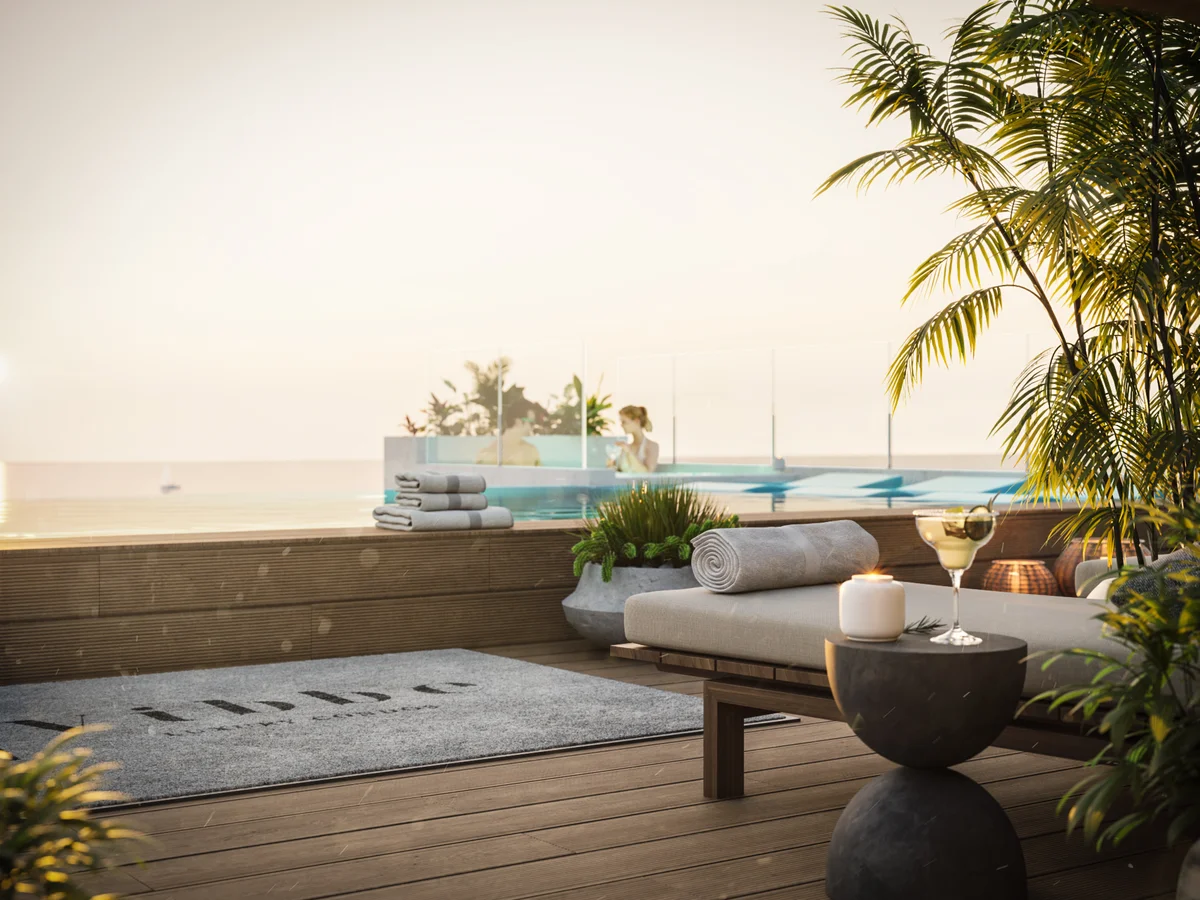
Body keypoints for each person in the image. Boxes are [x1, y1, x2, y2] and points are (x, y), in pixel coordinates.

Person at [475, 399, 542, 466]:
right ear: (518, 421)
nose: (532, 428)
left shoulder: (486, 452)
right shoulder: (530, 452)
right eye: (531, 423)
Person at [608, 405, 659, 473]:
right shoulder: (624, 448)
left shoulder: (652, 446)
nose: (621, 425)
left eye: (624, 422)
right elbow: (619, 472)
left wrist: (629, 452)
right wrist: (611, 465)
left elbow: (647, 474)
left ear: (636, 421)